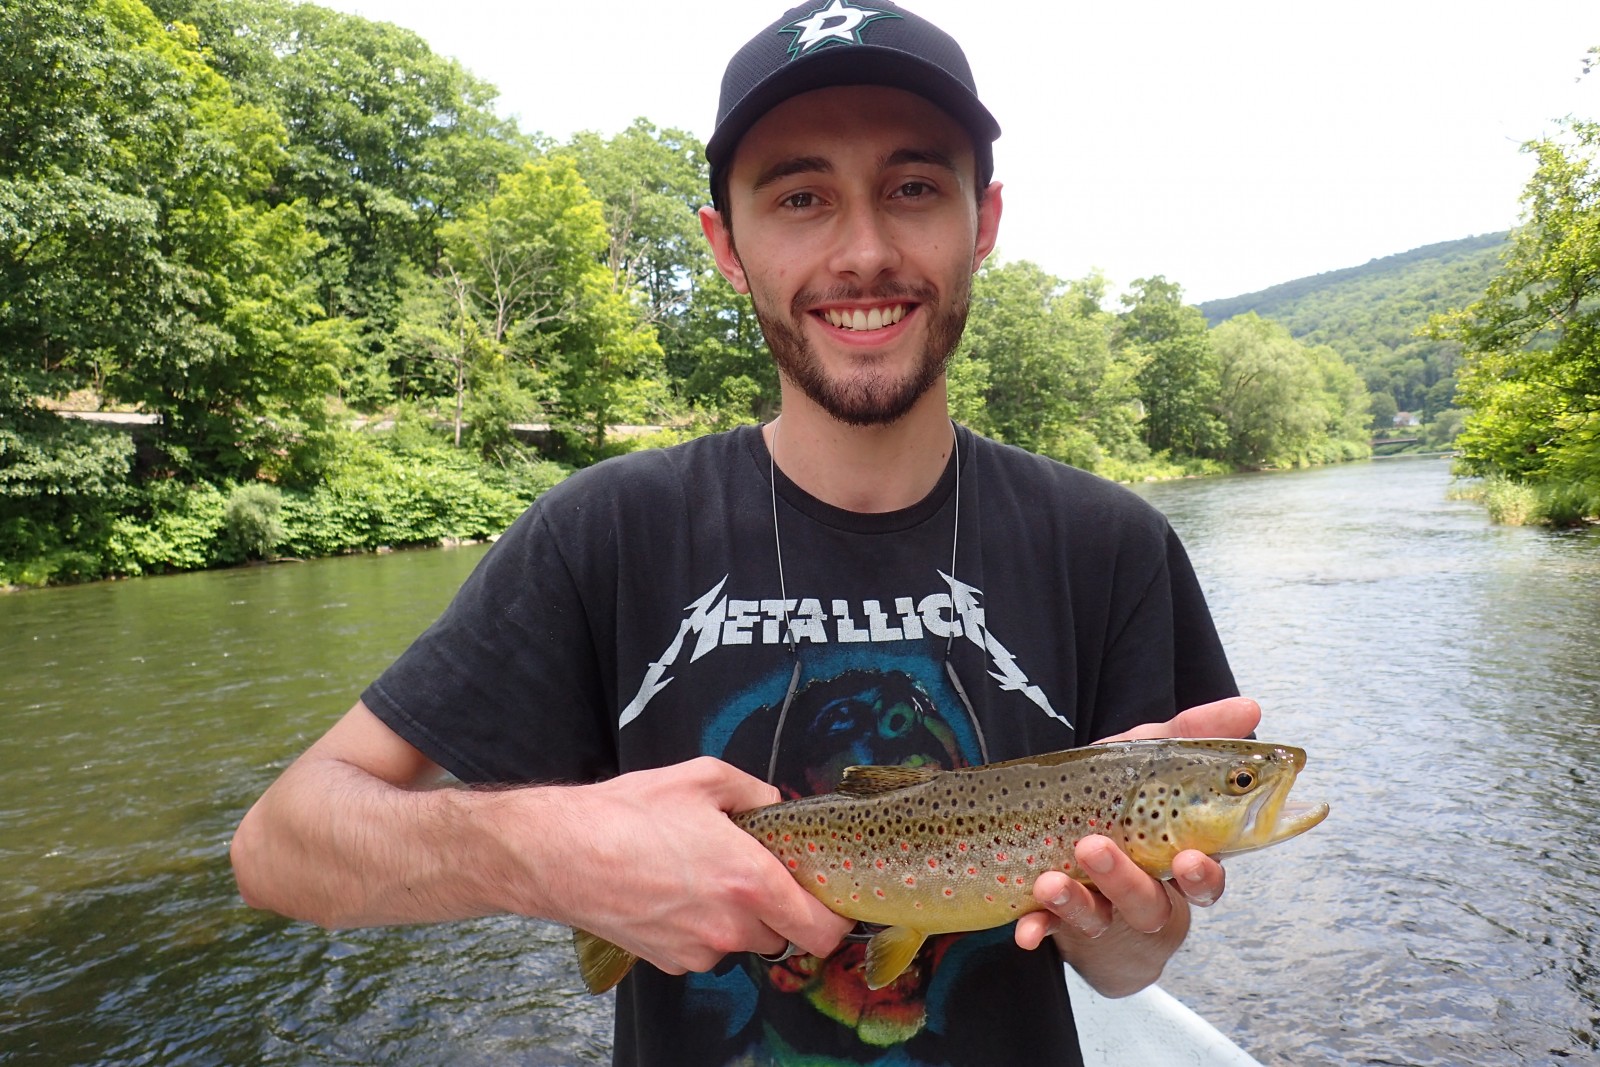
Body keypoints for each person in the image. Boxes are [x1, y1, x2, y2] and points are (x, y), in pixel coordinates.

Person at [230, 2, 1258, 1063]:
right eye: (800, 195)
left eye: (912, 187)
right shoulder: (605, 532)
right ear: (726, 244)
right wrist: (540, 850)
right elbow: (279, 846)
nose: (863, 251)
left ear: (982, 219)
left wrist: (1129, 931)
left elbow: (1125, 966)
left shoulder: (1110, 545)